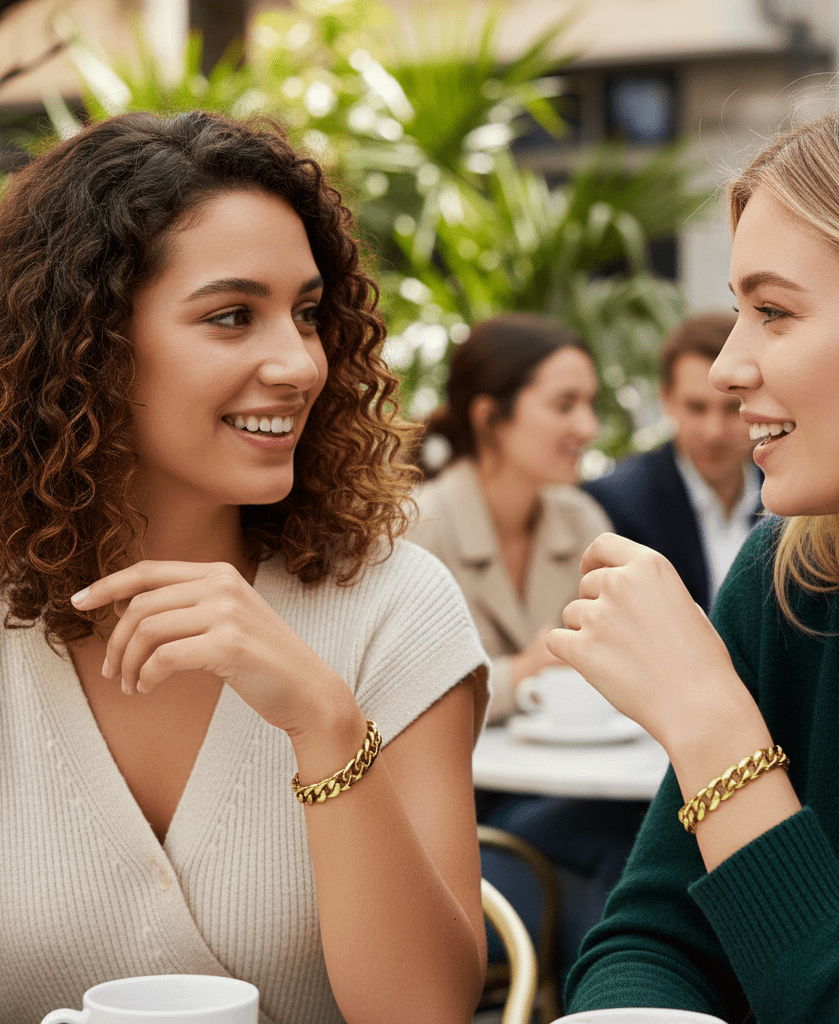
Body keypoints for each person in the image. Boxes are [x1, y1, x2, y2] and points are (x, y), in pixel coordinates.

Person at [0, 110, 490, 1024]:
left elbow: (425, 1013)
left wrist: (324, 721)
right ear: (86, 344)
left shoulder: (393, 607)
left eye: (306, 314)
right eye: (232, 316)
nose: (298, 363)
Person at [553, 93, 839, 1023]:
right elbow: (653, 937)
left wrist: (710, 723)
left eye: (774, 312)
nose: (728, 367)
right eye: (738, 311)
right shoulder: (789, 584)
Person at [407, 313, 648, 990]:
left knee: (633, 856)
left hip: (570, 798)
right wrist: (530, 669)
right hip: (459, 822)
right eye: (565, 404)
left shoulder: (581, 521)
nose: (589, 427)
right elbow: (401, 707)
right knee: (624, 869)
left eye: (589, 404)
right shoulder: (418, 533)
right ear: (491, 416)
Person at [581, 312, 761, 611]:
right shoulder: (618, 502)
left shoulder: (798, 501)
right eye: (697, 407)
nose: (714, 431)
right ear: (667, 399)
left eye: (732, 408)